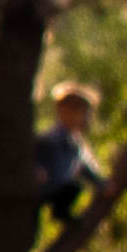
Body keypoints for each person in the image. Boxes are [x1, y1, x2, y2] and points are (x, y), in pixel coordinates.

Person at [34, 80, 108, 229]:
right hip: (43, 188)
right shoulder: (52, 138)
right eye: (83, 113)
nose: (87, 119)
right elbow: (32, 155)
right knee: (73, 187)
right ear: (64, 111)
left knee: (74, 187)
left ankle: (61, 212)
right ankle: (60, 212)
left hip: (58, 187)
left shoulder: (76, 142)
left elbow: (86, 167)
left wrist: (102, 184)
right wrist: (35, 168)